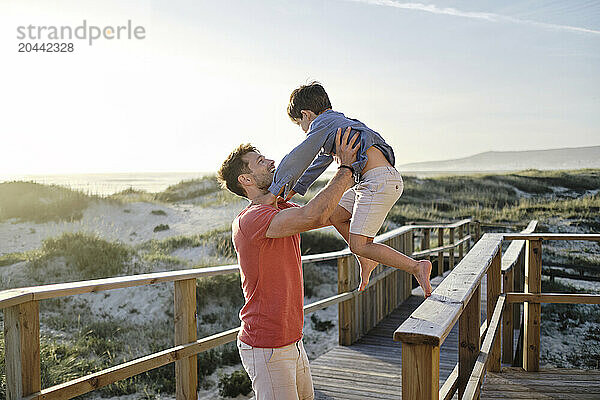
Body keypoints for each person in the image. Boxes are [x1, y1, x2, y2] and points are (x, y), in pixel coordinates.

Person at [217, 128, 359, 400]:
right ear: (246, 179)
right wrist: (346, 169)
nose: (271, 161)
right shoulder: (251, 219)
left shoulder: (279, 208)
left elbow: (327, 215)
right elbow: (312, 215)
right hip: (266, 344)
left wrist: (367, 182)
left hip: (292, 339)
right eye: (260, 161)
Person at [269, 81, 432, 295]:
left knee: (359, 244)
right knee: (336, 215)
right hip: (374, 181)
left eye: (300, 123)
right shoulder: (338, 123)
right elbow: (317, 164)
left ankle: (416, 267)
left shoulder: (322, 124)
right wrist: (290, 192)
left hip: (377, 182)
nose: (303, 130)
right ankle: (366, 259)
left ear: (306, 114)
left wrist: (275, 189)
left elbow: (298, 157)